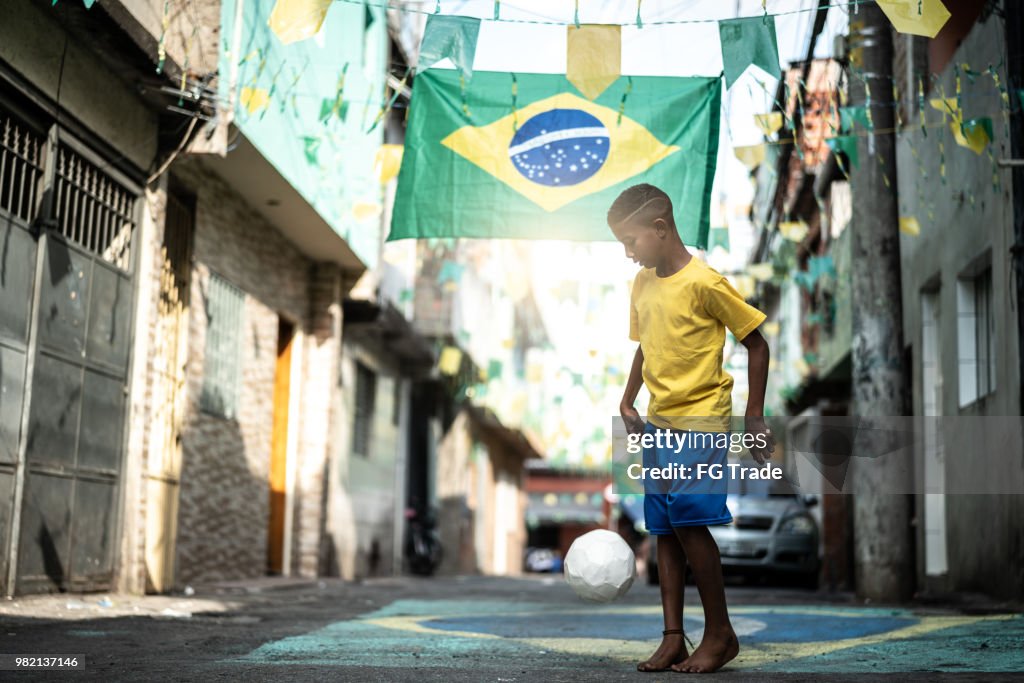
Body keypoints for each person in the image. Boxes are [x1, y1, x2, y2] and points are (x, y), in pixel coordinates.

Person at [609, 184, 773, 674]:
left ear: (660, 230)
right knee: (662, 525)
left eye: (631, 242)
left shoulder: (707, 283)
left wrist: (756, 414)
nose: (628, 253)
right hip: (658, 419)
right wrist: (627, 397)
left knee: (686, 519)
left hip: (702, 417)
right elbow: (646, 345)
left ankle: (720, 633)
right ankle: (673, 636)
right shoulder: (641, 285)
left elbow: (757, 344)